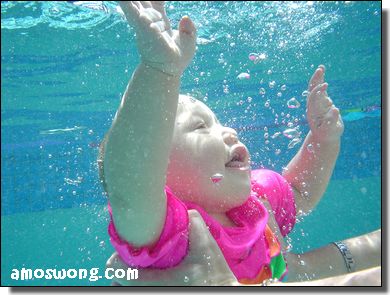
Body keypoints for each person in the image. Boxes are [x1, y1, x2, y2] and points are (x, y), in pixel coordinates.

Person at [99, 1, 381, 286]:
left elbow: (299, 191)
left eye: (219, 121)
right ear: (158, 169)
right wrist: (159, 72)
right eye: (200, 126)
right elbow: (129, 184)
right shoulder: (169, 233)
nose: (229, 130)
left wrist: (322, 140)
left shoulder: (256, 200)